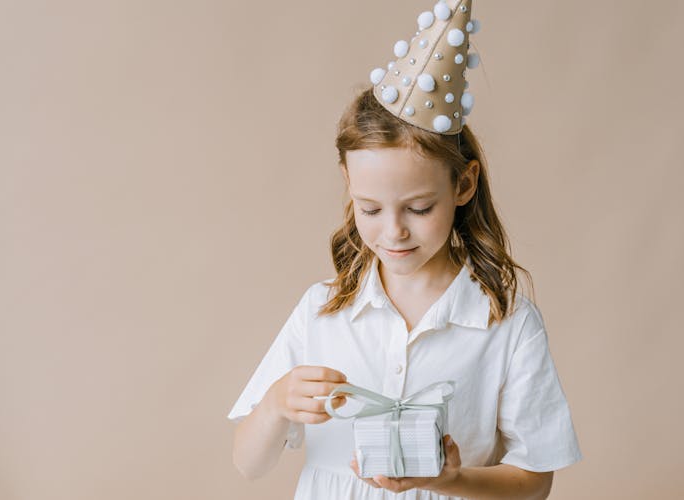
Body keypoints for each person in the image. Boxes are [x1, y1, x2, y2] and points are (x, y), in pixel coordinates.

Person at [227, 1, 582, 498]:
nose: (393, 232)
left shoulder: (506, 322)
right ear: (348, 186)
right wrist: (273, 405)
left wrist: (452, 478)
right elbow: (248, 462)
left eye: (418, 208)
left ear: (463, 185)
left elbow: (534, 482)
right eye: (370, 209)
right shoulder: (321, 312)